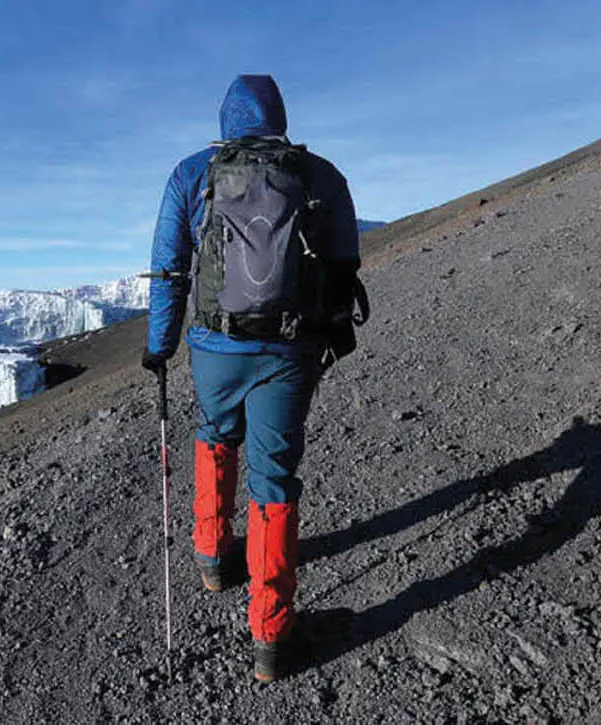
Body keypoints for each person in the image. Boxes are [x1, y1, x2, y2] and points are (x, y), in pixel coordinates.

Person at [141, 74, 363, 682]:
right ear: (279, 115)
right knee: (274, 476)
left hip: (214, 345)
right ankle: (270, 635)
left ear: (225, 122)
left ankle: (213, 557)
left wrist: (160, 346)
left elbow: (168, 270)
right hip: (288, 351)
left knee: (215, 433)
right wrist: (334, 330)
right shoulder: (320, 174)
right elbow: (343, 262)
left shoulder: (192, 174)